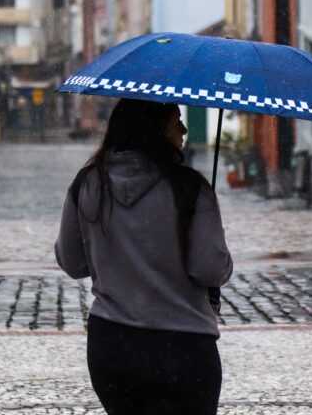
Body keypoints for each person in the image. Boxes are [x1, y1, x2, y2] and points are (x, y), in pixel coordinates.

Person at [55, 98, 232, 414]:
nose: (184, 128)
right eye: (175, 119)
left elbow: (73, 262)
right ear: (156, 129)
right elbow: (209, 269)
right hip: (182, 347)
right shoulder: (189, 189)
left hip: (112, 346)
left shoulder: (87, 183)